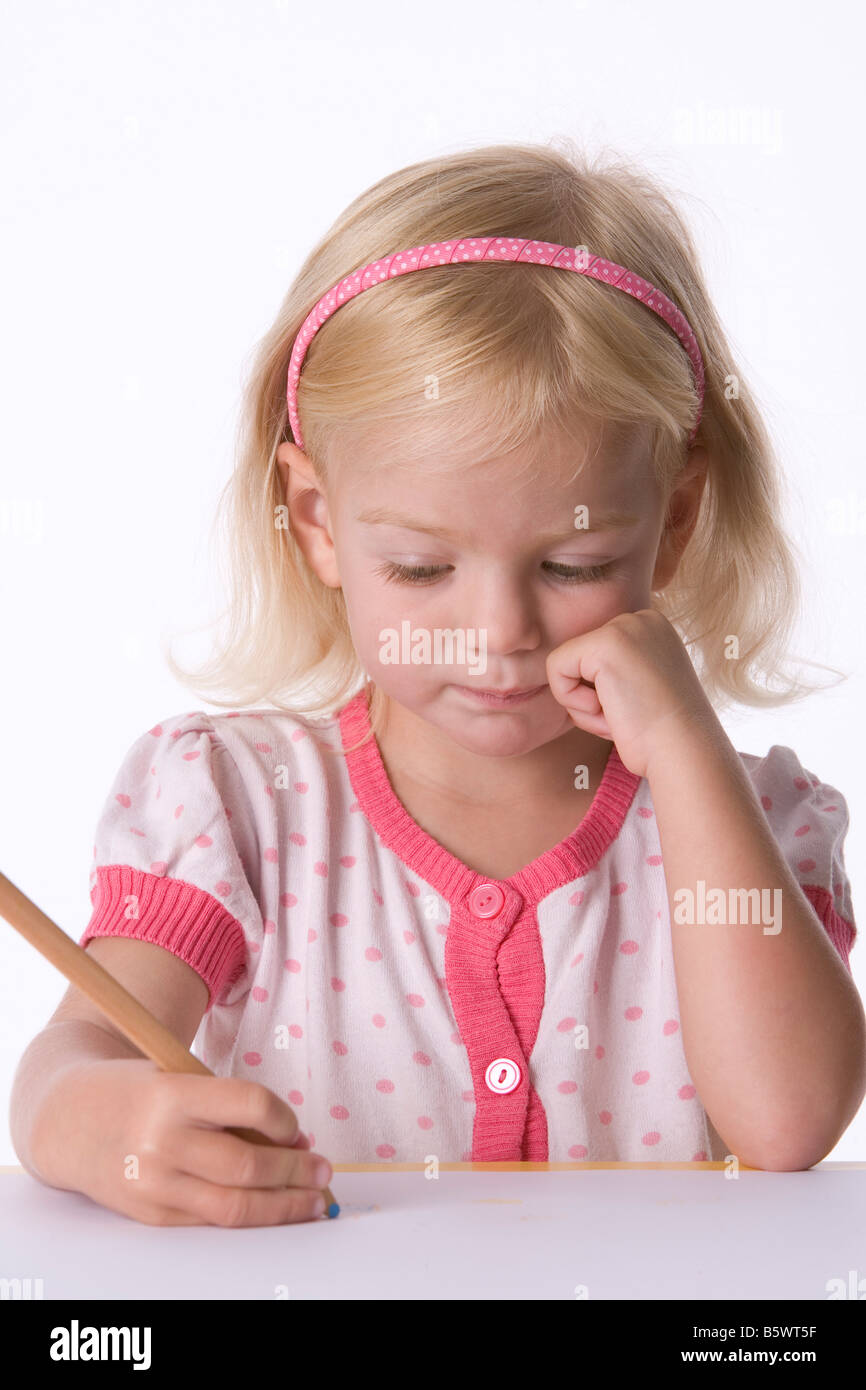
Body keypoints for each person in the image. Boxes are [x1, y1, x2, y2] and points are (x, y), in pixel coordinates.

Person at [11, 140, 863, 1228]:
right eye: (420, 568)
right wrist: (102, 1126)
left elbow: (785, 1123)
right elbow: (67, 1059)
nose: (496, 634)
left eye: (571, 565)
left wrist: (691, 757)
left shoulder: (749, 825)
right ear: (318, 522)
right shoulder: (238, 802)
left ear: (675, 520)